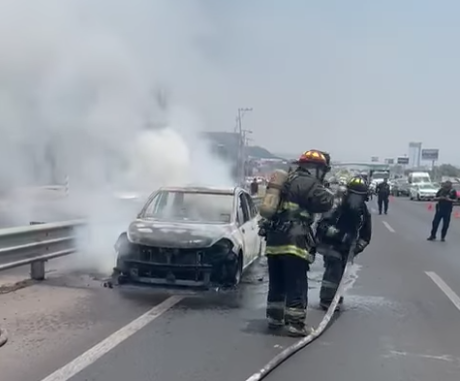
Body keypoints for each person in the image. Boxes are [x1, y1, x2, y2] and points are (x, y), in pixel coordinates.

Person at [263, 149, 335, 337]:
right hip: (294, 240)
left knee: (277, 280)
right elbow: (326, 202)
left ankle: (274, 317)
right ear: (316, 169)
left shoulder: (286, 180)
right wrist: (329, 190)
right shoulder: (308, 182)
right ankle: (296, 323)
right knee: (296, 282)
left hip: (274, 239)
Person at [315, 176, 372, 310]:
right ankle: (327, 299)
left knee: (340, 273)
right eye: (354, 196)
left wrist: (356, 248)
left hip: (348, 248)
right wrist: (339, 235)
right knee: (333, 269)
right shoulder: (337, 206)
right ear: (347, 193)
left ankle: (336, 297)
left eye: (359, 197)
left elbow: (366, 236)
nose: (356, 200)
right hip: (331, 244)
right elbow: (322, 225)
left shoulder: (363, 213)